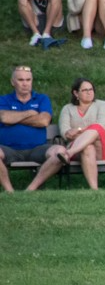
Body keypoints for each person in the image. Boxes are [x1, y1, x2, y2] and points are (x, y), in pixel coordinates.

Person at [0, 65, 67, 193]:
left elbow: (44, 121)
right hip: (8, 148)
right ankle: (9, 191)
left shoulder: (42, 99)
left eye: (28, 80)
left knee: (60, 152)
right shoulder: (3, 100)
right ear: (12, 82)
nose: (25, 84)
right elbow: (4, 118)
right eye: (20, 80)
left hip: (37, 148)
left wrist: (15, 119)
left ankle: (31, 189)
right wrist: (30, 112)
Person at [58, 78, 105, 190]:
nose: (89, 92)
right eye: (85, 90)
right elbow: (65, 132)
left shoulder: (102, 105)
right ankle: (94, 190)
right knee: (88, 148)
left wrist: (78, 130)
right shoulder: (67, 109)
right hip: (80, 153)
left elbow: (102, 126)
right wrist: (71, 133)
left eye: (91, 89)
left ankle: (68, 153)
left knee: (97, 127)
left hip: (102, 148)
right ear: (76, 93)